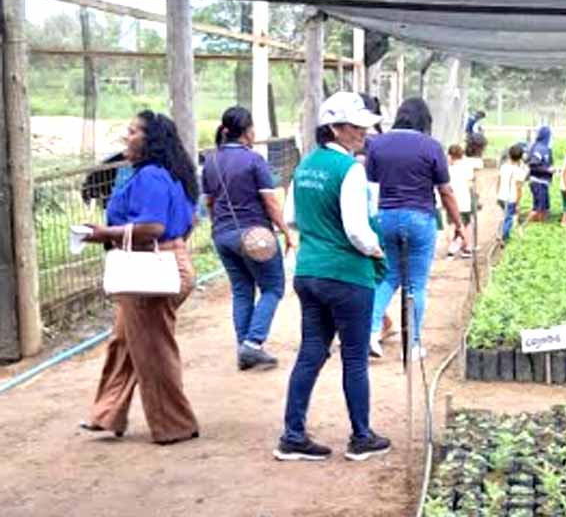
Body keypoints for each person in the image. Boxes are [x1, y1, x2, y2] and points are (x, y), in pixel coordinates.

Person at [273, 92, 391, 463]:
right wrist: (379, 250)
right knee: (355, 358)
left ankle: (293, 435)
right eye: (355, 127)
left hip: (309, 272)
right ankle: (361, 436)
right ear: (334, 129)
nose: (362, 133)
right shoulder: (351, 170)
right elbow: (357, 231)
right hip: (346, 275)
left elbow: (291, 217)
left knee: (311, 352)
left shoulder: (305, 165)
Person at [80, 111, 200, 445]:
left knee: (152, 349)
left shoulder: (150, 177)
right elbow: (190, 221)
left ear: (151, 140)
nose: (125, 137)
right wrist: (175, 249)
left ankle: (174, 424)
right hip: (166, 262)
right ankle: (107, 414)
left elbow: (152, 227)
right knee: (124, 343)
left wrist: (104, 233)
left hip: (150, 268)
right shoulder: (175, 174)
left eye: (132, 131)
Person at [366, 98, 464, 360]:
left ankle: (372, 334)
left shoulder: (377, 144)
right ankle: (413, 345)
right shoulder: (431, 146)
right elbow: (445, 191)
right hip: (420, 218)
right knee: (416, 284)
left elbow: (371, 187)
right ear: (425, 121)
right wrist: (459, 225)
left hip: (386, 216)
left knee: (389, 277)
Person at [202, 106, 293, 371]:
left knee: (242, 290)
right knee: (273, 287)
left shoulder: (211, 161)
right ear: (246, 132)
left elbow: (209, 202)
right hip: (254, 235)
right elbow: (270, 202)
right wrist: (286, 232)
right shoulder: (254, 160)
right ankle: (253, 344)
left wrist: (219, 224)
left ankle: (244, 348)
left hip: (222, 234)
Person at [446, 144, 480, 258]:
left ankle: (451, 249)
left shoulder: (448, 170)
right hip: (464, 201)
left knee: (451, 225)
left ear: (450, 155)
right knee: (466, 224)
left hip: (451, 202)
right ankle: (466, 248)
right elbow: (471, 184)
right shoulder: (467, 168)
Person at [497, 144, 526, 242]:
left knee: (505, 215)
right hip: (511, 198)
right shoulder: (520, 171)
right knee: (508, 218)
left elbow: (499, 181)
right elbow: (519, 188)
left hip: (501, 196)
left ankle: (503, 233)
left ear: (509, 155)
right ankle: (503, 237)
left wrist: (497, 193)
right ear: (521, 157)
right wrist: (518, 203)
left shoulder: (503, 167)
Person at [525, 125, 554, 224]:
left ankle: (541, 227)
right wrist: (548, 170)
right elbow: (533, 165)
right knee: (538, 208)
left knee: (545, 208)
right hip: (538, 182)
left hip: (543, 182)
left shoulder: (546, 148)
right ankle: (523, 227)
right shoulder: (539, 148)